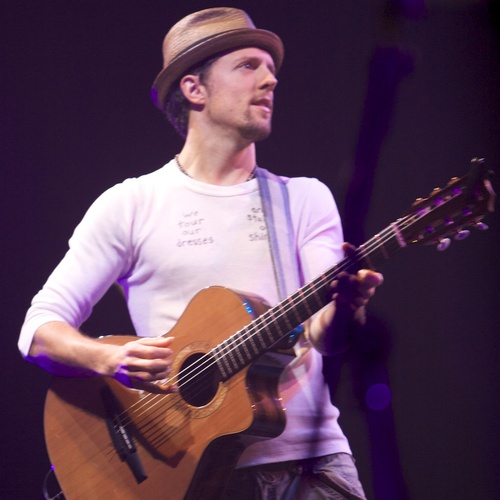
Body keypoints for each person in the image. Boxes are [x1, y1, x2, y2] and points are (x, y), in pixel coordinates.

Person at [19, 7, 383, 500]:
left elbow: (325, 337)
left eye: (270, 68)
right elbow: (38, 330)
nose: (270, 79)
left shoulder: (303, 198)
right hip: (186, 475)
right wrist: (109, 357)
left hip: (310, 468)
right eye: (248, 66)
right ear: (195, 89)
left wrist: (346, 307)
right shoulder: (131, 204)